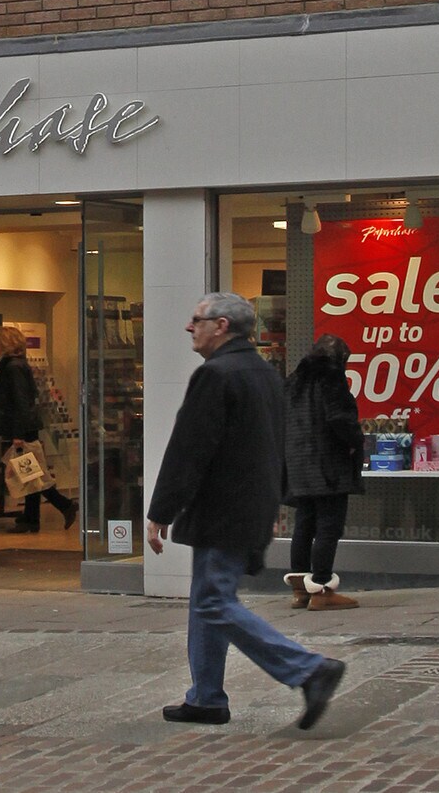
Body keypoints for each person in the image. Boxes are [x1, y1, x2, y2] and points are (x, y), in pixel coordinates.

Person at [146, 292, 345, 731]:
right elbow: (276, 445)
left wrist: (161, 510)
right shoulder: (263, 372)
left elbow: (188, 449)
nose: (189, 327)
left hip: (223, 509)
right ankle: (206, 698)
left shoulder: (216, 375)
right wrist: (273, 501)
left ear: (221, 326)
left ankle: (309, 670)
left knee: (213, 602)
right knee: (206, 601)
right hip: (249, 506)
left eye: (197, 319)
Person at [281, 333, 363, 612]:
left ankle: (300, 590)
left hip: (299, 464)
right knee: (329, 526)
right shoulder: (331, 378)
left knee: (304, 524)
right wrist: (355, 441)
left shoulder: (293, 382)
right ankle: (322, 587)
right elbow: (339, 418)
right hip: (328, 466)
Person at [0, 327, 76, 531]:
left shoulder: (13, 368)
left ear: (6, 344)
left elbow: (21, 402)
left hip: (21, 429)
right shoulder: (15, 365)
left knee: (30, 472)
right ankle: (32, 516)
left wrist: (18, 434)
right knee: (28, 471)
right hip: (23, 427)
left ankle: (62, 505)